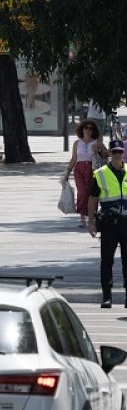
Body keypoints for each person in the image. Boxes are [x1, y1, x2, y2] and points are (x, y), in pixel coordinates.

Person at [89, 139, 127, 308]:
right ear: (109, 154)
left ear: (123, 152)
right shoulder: (101, 173)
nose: (117, 155)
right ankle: (107, 296)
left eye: (120, 152)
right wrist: (91, 222)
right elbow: (93, 199)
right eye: (114, 152)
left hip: (126, 223)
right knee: (107, 261)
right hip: (109, 223)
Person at [64, 118, 110, 229]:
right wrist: (67, 172)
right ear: (82, 129)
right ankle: (82, 218)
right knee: (82, 192)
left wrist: (98, 151)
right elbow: (74, 158)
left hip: (92, 169)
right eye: (86, 128)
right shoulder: (77, 143)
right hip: (79, 169)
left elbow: (107, 154)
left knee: (92, 193)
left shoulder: (97, 142)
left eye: (91, 129)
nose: (88, 131)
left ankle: (92, 216)